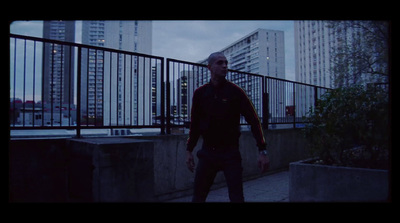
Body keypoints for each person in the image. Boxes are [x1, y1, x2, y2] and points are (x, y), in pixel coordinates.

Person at [185, 52, 270, 202]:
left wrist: (262, 150)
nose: (224, 66)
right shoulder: (200, 93)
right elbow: (195, 124)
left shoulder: (236, 92)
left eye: (226, 63)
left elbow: (254, 121)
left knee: (237, 197)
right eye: (220, 63)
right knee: (198, 197)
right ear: (210, 67)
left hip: (230, 153)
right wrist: (189, 150)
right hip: (207, 153)